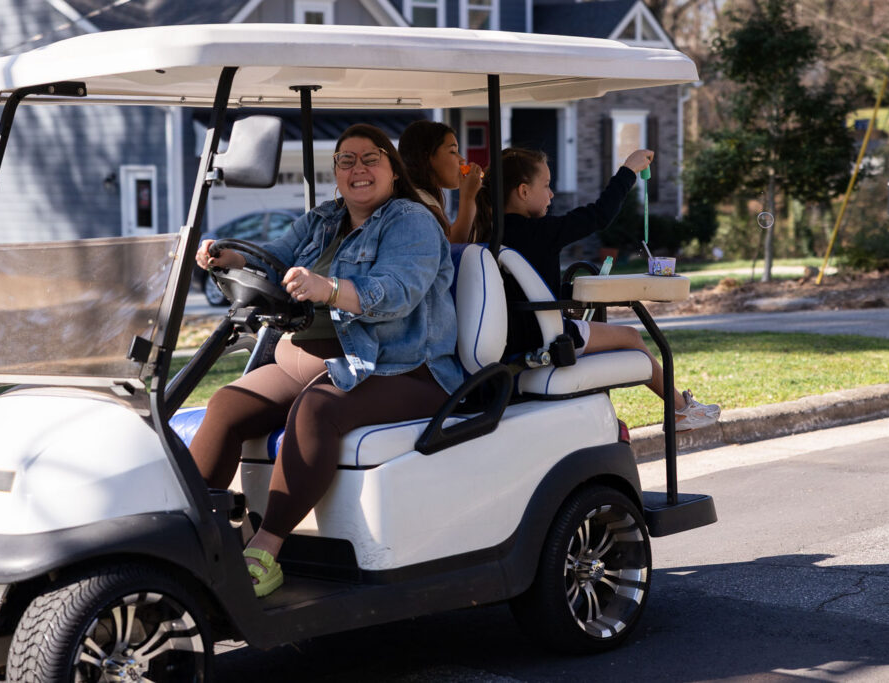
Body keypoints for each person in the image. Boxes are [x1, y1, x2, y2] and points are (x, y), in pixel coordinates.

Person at [192, 124, 464, 597]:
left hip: (398, 366)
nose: (358, 169)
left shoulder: (411, 220)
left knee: (317, 409)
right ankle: (197, 541)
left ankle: (265, 549)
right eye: (346, 160)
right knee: (227, 405)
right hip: (309, 359)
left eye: (371, 158)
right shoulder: (323, 219)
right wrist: (229, 256)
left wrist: (330, 289)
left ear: (392, 169)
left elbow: (399, 292)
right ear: (336, 171)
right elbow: (275, 258)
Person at [470, 147, 719, 430]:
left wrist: (565, 296)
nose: (551, 194)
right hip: (545, 338)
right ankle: (680, 410)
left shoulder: (491, 232)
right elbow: (599, 215)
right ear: (524, 191)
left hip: (517, 337)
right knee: (631, 336)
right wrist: (628, 170)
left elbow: (522, 290)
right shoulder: (540, 231)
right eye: (546, 185)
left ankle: (675, 409)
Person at [398, 120, 483, 243]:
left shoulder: (419, 197)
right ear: (426, 157)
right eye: (453, 151)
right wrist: (469, 197)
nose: (462, 160)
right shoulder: (421, 203)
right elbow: (450, 246)